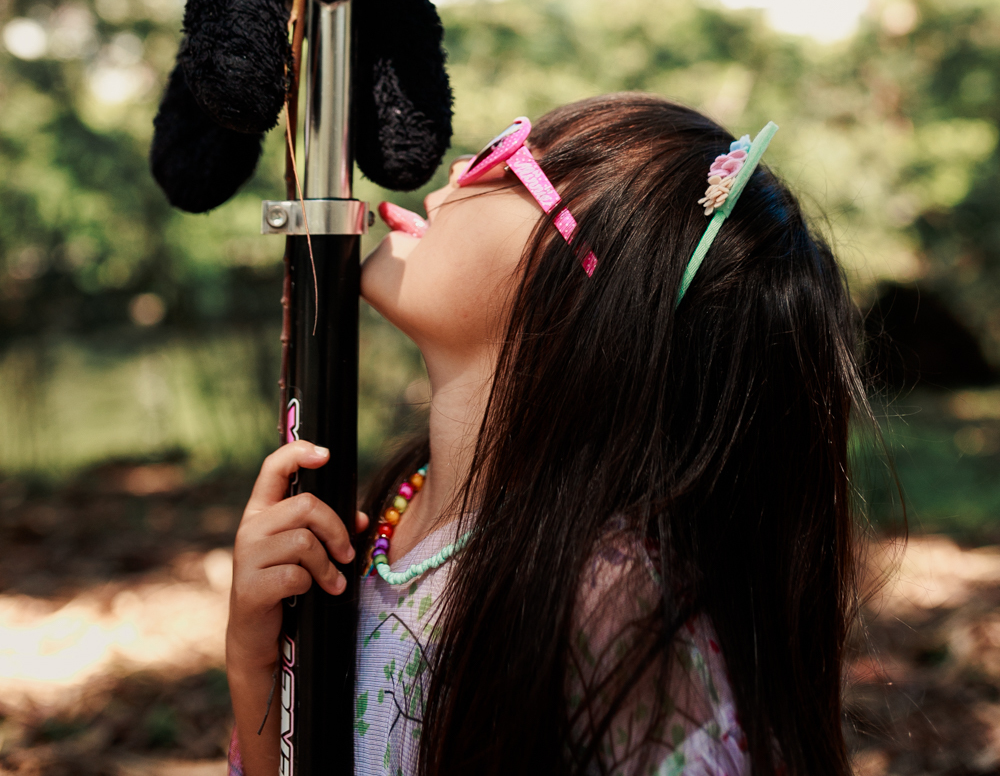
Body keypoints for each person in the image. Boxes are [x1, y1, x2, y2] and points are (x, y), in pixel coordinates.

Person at [225, 93, 865, 776]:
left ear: (597, 293)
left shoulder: (613, 599)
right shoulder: (386, 517)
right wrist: (255, 666)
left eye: (505, 156)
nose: (463, 166)